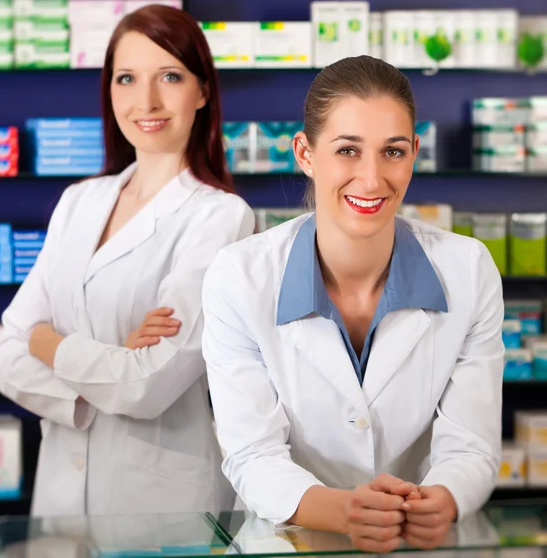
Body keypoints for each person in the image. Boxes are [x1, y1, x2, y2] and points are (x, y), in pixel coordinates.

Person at [201, 55, 504, 552]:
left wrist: (443, 499)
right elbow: (251, 454)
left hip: (412, 540)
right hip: (287, 541)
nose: (371, 179)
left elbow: (469, 443)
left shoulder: (468, 270)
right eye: (347, 150)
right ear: (305, 152)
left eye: (392, 151)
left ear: (414, 153)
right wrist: (346, 511)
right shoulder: (239, 277)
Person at [0, 4, 255, 517]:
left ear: (203, 91)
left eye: (170, 77)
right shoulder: (79, 201)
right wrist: (108, 367)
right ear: (109, 90)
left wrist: (48, 342)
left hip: (157, 506)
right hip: (60, 497)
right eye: (127, 78)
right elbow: (5, 356)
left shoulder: (221, 218)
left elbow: (147, 385)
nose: (146, 100)